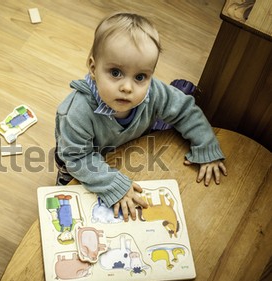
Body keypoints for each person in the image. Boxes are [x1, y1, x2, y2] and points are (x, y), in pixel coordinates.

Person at [54, 12, 227, 221]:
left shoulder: (154, 91)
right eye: (115, 72)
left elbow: (184, 109)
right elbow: (77, 158)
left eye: (140, 77)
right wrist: (113, 184)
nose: (127, 87)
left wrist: (206, 145)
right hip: (79, 160)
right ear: (93, 67)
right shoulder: (76, 112)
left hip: (129, 152)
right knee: (71, 193)